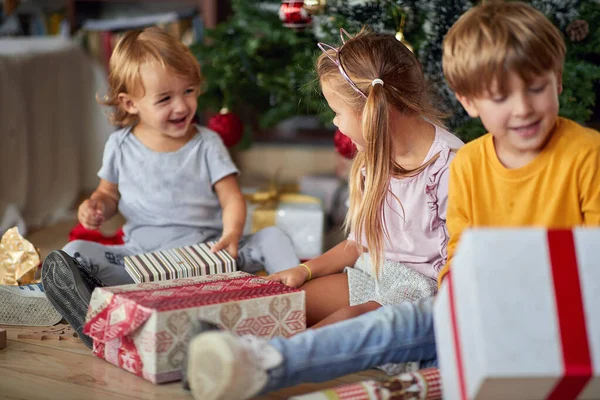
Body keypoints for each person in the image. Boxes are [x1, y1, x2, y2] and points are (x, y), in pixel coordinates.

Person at [183, 2, 600, 400]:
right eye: (500, 97)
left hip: (535, 313)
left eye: (536, 88)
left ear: (558, 79)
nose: (523, 108)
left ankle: (268, 362)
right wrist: (308, 269)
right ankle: (225, 353)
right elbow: (459, 255)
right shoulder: (473, 162)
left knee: (392, 321)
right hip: (465, 302)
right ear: (469, 102)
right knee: (326, 306)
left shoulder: (583, 155)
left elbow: (590, 261)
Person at [41, 27, 300, 349]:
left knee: (272, 236)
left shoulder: (207, 143)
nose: (181, 106)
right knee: (75, 252)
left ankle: (297, 300)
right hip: (139, 261)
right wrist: (95, 206)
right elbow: (107, 194)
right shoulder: (119, 146)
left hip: (209, 254)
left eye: (188, 91)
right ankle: (94, 309)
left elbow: (231, 196)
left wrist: (231, 235)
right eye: (165, 98)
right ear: (130, 103)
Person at [268, 28, 463, 329]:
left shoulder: (449, 165)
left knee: (345, 323)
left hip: (421, 294)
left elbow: (463, 260)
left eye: (337, 112)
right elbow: (360, 244)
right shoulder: (370, 160)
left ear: (369, 113)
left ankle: (274, 361)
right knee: (291, 305)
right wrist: (306, 270)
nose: (335, 122)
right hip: (373, 276)